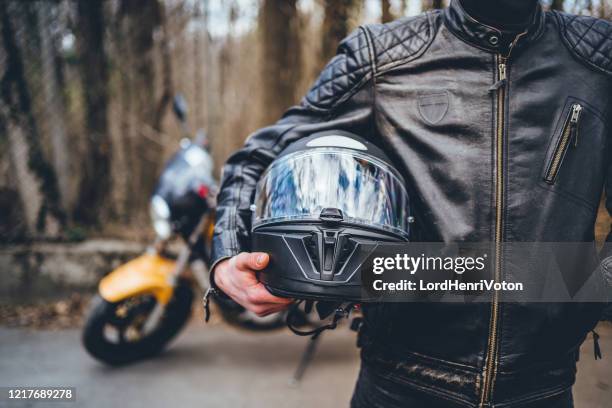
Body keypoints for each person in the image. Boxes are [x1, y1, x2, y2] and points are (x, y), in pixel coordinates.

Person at [208, 0, 612, 406]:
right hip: (400, 382)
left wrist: (584, 295)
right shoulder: (383, 55)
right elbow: (262, 154)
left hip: (544, 385)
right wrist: (227, 254)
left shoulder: (599, 56)